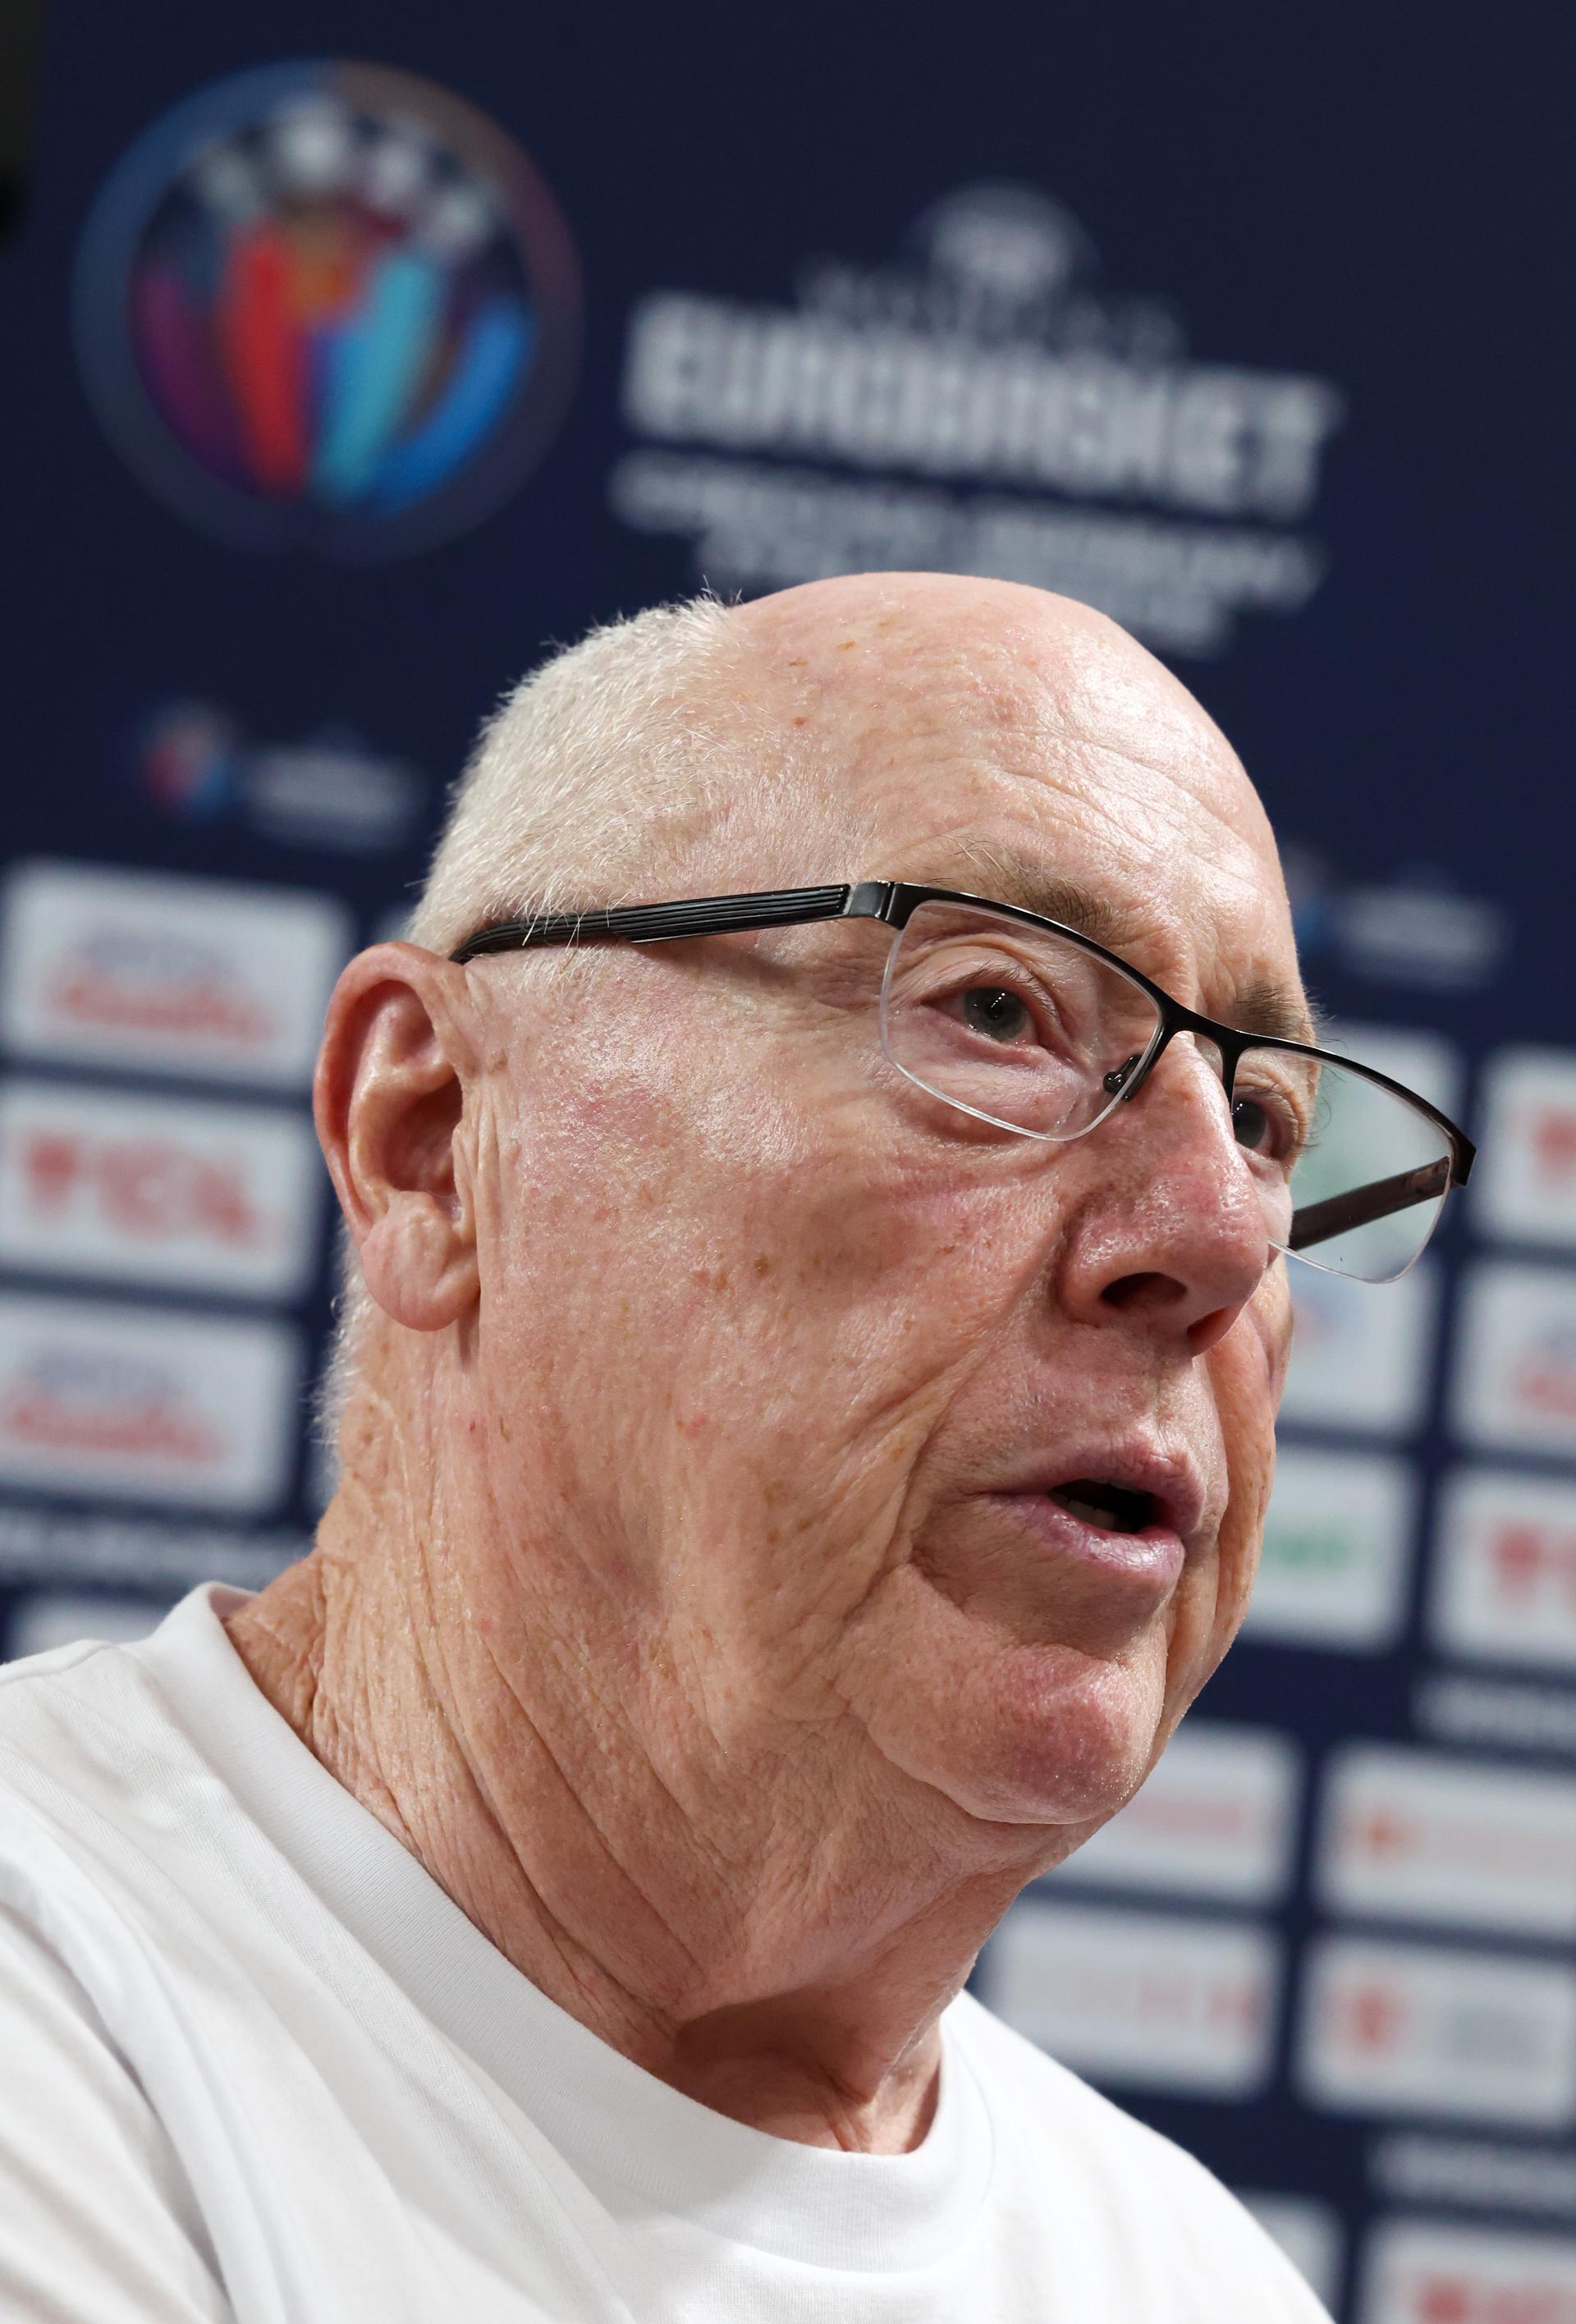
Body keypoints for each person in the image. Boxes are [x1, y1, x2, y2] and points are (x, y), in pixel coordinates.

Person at [0, 575, 1470, 2321]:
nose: (1223, 1233)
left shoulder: (1198, 2288)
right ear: (433, 1142)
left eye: (1264, 1117)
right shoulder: (64, 2008)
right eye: (999, 1009)